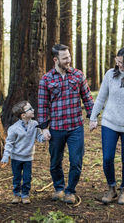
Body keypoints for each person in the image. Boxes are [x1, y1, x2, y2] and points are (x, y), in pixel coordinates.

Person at [89, 46, 124, 205]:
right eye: (117, 60)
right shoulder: (110, 75)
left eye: (121, 62)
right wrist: (93, 118)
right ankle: (111, 188)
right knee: (107, 158)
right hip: (109, 123)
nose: (118, 64)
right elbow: (100, 98)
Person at [37, 44, 94, 204]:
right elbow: (42, 105)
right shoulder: (46, 79)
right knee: (55, 161)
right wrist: (44, 128)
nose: (68, 60)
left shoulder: (78, 75)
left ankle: (70, 191)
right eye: (65, 58)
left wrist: (92, 117)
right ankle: (59, 188)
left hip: (76, 127)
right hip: (56, 129)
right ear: (56, 60)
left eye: (69, 57)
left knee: (76, 161)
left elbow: (87, 98)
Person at [0, 100, 50, 204]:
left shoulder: (35, 124)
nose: (33, 110)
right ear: (23, 115)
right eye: (30, 109)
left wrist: (45, 137)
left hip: (28, 157)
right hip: (16, 158)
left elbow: (39, 137)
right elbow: (9, 143)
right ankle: (16, 194)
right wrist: (6, 156)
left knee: (27, 177)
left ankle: (25, 194)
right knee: (17, 177)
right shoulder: (13, 128)